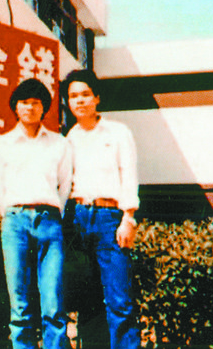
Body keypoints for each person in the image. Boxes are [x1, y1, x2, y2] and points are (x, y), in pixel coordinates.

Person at [0, 78, 72, 349]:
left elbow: (65, 185)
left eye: (36, 103)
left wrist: (52, 211)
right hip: (15, 223)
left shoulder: (59, 143)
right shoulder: (2, 144)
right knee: (19, 302)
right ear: (15, 107)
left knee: (53, 301)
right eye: (24, 102)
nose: (30, 107)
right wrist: (10, 214)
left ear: (44, 107)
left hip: (49, 222)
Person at [62, 69, 139, 349]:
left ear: (97, 97)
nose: (80, 100)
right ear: (67, 102)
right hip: (77, 218)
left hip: (110, 219)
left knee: (119, 298)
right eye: (73, 96)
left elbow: (129, 174)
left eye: (85, 94)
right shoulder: (68, 138)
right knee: (87, 300)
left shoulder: (118, 132)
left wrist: (128, 218)